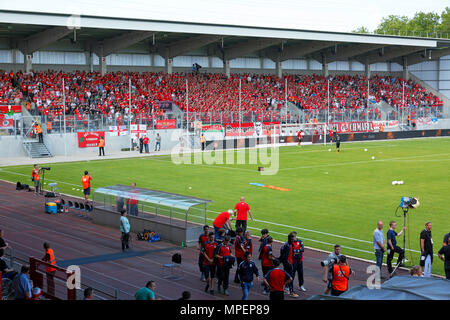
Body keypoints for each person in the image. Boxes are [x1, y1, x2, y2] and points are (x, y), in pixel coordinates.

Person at [279, 232, 304, 298]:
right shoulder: (288, 245)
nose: (294, 240)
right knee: (290, 277)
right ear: (290, 238)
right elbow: (285, 255)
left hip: (289, 263)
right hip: (288, 264)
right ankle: (291, 291)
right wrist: (288, 263)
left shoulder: (288, 244)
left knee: (288, 277)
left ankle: (286, 289)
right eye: (293, 238)